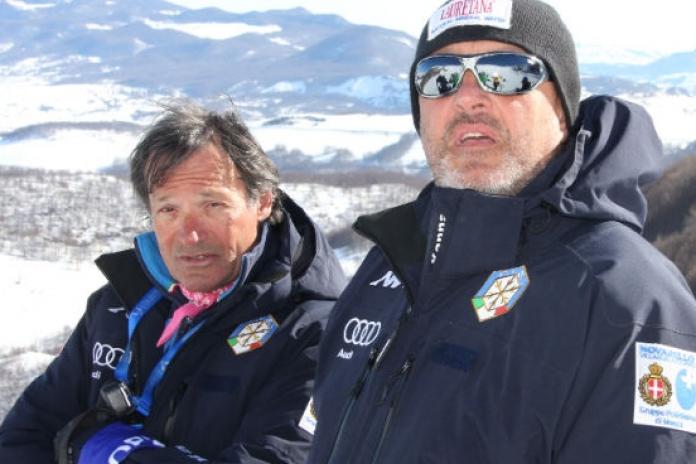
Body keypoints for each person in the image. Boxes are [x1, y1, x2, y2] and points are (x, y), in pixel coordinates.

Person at [307, 0, 696, 462]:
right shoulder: (389, 267)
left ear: (562, 107)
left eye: (507, 72)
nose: (467, 96)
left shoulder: (624, 299)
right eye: (440, 77)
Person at [0, 101, 346, 463]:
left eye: (213, 206)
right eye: (168, 210)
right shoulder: (118, 305)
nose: (190, 235)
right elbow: (23, 436)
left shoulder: (315, 334)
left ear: (262, 202)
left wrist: (106, 451)